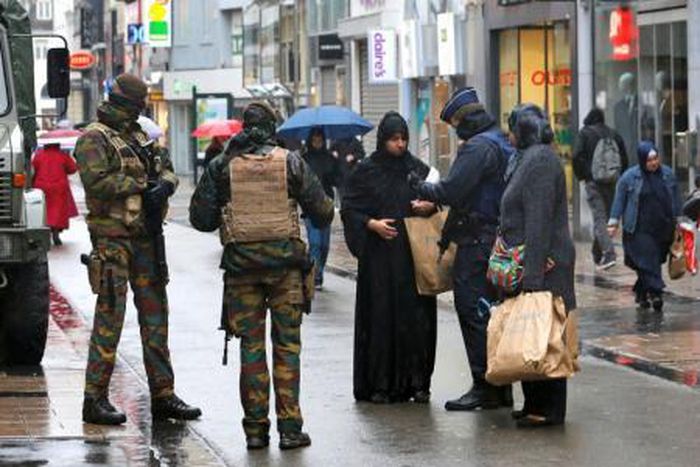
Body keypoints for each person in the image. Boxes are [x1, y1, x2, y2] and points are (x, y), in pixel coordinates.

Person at [189, 102, 334, 450]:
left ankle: (255, 430)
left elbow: (201, 219)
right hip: (286, 271)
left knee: (251, 349)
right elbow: (324, 212)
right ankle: (290, 428)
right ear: (272, 128)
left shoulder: (223, 165)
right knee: (287, 347)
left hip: (241, 271)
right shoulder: (291, 161)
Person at [75, 73, 201, 426]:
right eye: (135, 105)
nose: (137, 111)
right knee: (110, 318)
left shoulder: (141, 136)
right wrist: (144, 184)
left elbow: (170, 171)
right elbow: (96, 182)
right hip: (113, 239)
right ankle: (94, 397)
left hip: (147, 239)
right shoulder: (93, 138)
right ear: (124, 103)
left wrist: (165, 187)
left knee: (156, 317)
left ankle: (163, 395)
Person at [409, 87, 514, 411]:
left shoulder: (478, 148)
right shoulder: (500, 142)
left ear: (463, 121)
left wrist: (420, 184)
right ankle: (499, 386)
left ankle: (486, 386)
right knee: (488, 313)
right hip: (494, 237)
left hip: (477, 241)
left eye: (455, 126)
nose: (456, 133)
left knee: (473, 311)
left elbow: (453, 190)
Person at [341, 111, 437, 404]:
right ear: (383, 140)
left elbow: (436, 200)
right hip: (379, 260)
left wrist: (428, 206)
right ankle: (379, 383)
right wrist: (371, 224)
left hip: (412, 259)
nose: (401, 144)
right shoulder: (366, 171)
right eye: (395, 139)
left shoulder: (416, 169)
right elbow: (349, 208)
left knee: (416, 320)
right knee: (381, 318)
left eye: (404, 139)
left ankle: (416, 382)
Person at [499, 104, 576, 428]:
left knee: (546, 334)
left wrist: (531, 275)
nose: (509, 134)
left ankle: (549, 409)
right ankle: (533, 401)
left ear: (524, 131)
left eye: (513, 127)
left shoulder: (540, 161)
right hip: (532, 262)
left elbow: (539, 220)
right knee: (529, 332)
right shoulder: (527, 158)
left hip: (545, 263)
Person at [608, 141, 681, 311]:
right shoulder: (629, 177)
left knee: (653, 260)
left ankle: (641, 292)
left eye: (655, 158)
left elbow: (676, 199)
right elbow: (619, 201)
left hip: (662, 227)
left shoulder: (668, 174)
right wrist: (613, 223)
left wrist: (680, 220)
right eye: (649, 160)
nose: (654, 163)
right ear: (642, 160)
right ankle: (656, 293)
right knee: (648, 260)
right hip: (638, 229)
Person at [573, 108, 629, 269]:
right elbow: (624, 158)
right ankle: (597, 252)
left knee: (599, 218)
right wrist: (619, 176)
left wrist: (584, 175)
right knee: (605, 217)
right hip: (612, 182)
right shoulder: (613, 134)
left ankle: (609, 253)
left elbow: (577, 156)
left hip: (593, 182)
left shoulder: (585, 133)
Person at [302, 127, 341, 290]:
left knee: (324, 245)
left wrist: (337, 165)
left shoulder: (330, 158)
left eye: (320, 139)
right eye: (314, 139)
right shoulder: (303, 159)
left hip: (326, 205)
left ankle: (320, 270)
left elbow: (337, 179)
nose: (317, 141)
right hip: (310, 206)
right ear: (310, 140)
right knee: (315, 243)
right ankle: (315, 276)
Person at [32, 143, 79, 246]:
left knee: (44, 211)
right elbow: (73, 169)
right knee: (57, 211)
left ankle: (45, 233)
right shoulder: (63, 155)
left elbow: (33, 169)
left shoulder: (39, 155)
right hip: (59, 186)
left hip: (41, 186)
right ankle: (56, 233)